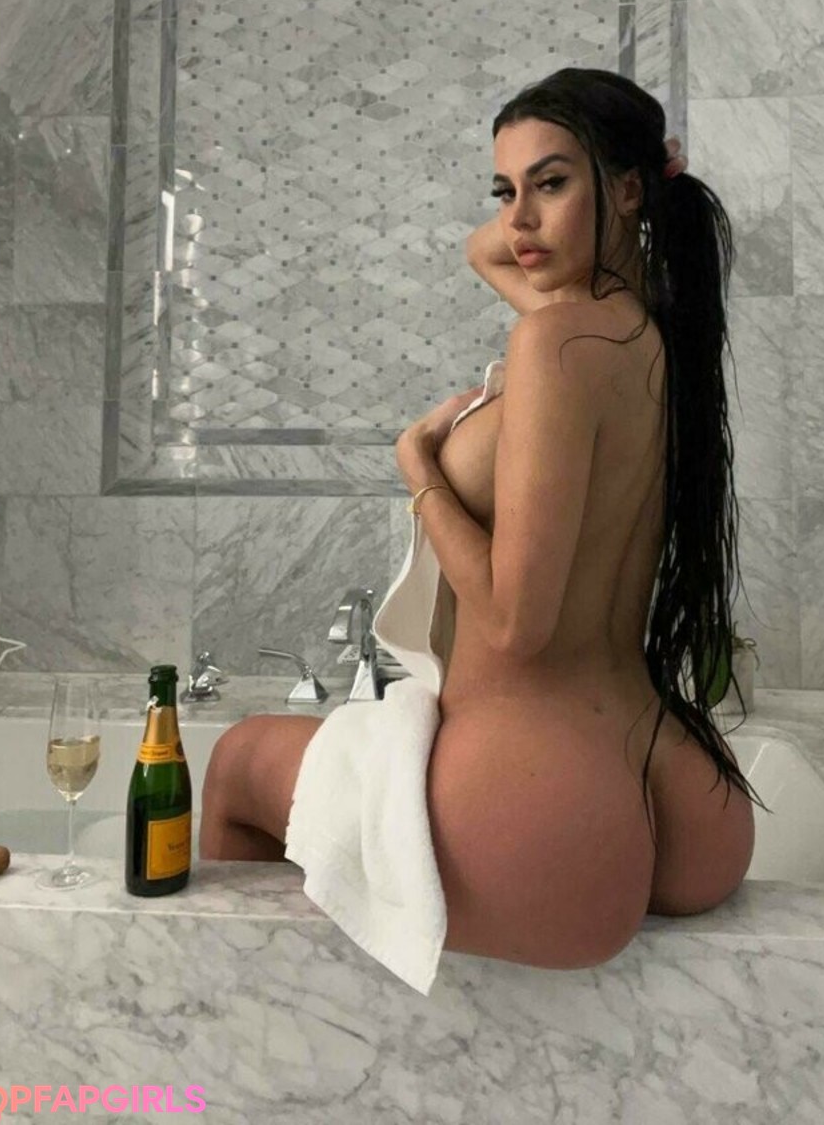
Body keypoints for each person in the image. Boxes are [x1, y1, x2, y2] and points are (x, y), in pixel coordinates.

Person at [199, 66, 768, 971]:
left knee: (235, 760)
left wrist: (420, 471)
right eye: (506, 191)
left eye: (552, 182)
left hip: (538, 794)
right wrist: (606, 182)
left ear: (625, 190)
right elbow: (487, 250)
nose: (518, 221)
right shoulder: (648, 337)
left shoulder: (554, 341)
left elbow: (514, 621)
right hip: (673, 774)